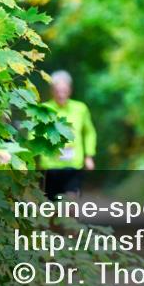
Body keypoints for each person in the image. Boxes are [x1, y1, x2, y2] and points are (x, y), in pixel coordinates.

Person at [38, 70, 96, 200]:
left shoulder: (81, 108)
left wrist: (89, 155)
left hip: (74, 165)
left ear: (70, 90)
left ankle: (70, 220)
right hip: (50, 166)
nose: (61, 94)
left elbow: (89, 132)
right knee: (51, 208)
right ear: (52, 90)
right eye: (57, 91)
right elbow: (35, 135)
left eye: (64, 90)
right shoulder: (44, 109)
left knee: (71, 201)